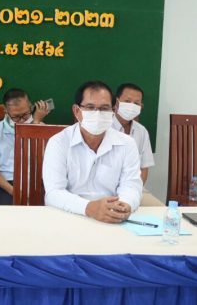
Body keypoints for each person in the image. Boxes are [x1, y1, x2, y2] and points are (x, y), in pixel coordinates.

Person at [42, 81, 143, 223]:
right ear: (77, 111)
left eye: (104, 108)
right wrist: (89, 208)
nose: (98, 113)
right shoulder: (59, 142)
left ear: (113, 111)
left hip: (111, 216)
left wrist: (125, 205)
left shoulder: (127, 144)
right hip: (69, 215)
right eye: (90, 107)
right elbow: (54, 193)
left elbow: (131, 186)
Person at [0, 89, 51, 205]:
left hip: (35, 183)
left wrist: (36, 123)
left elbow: (43, 160)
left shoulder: (41, 127)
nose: (22, 120)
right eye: (16, 117)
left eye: (25, 114)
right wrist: (13, 191)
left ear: (30, 106)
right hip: (6, 184)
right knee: (6, 210)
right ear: (6, 110)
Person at [113, 83, 154, 185]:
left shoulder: (142, 131)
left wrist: (135, 191)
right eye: (127, 101)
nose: (131, 106)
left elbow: (144, 168)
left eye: (136, 103)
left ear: (141, 107)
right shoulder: (103, 128)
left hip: (132, 190)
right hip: (105, 191)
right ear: (117, 103)